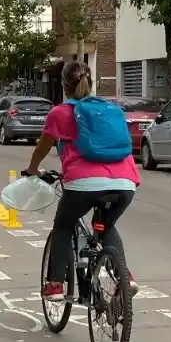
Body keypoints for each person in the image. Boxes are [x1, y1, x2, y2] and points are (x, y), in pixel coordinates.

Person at [23, 60, 138, 302]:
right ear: (91, 83)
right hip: (125, 182)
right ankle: (125, 277)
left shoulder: (60, 113)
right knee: (106, 225)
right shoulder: (110, 110)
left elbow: (41, 148)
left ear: (64, 87)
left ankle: (55, 284)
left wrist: (32, 169)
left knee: (64, 225)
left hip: (83, 183)